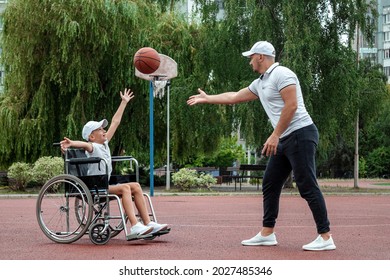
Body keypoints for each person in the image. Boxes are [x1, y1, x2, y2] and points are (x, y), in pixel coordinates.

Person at [187, 41, 336, 251]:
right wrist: (208, 98)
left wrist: (275, 135)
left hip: (301, 134)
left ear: (260, 57)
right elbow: (234, 97)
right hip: (284, 137)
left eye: (251, 57)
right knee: (270, 182)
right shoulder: (261, 82)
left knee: (306, 184)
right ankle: (267, 233)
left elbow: (292, 105)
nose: (249, 62)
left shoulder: (282, 74)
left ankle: (325, 236)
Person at [60, 88, 169, 241]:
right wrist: (71, 143)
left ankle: (148, 222)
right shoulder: (92, 147)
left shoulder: (104, 144)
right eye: (100, 129)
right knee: (125, 188)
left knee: (136, 186)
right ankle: (134, 225)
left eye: (103, 128)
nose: (104, 130)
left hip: (104, 185)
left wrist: (124, 102)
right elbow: (83, 145)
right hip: (95, 188)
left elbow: (115, 122)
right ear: (91, 136)